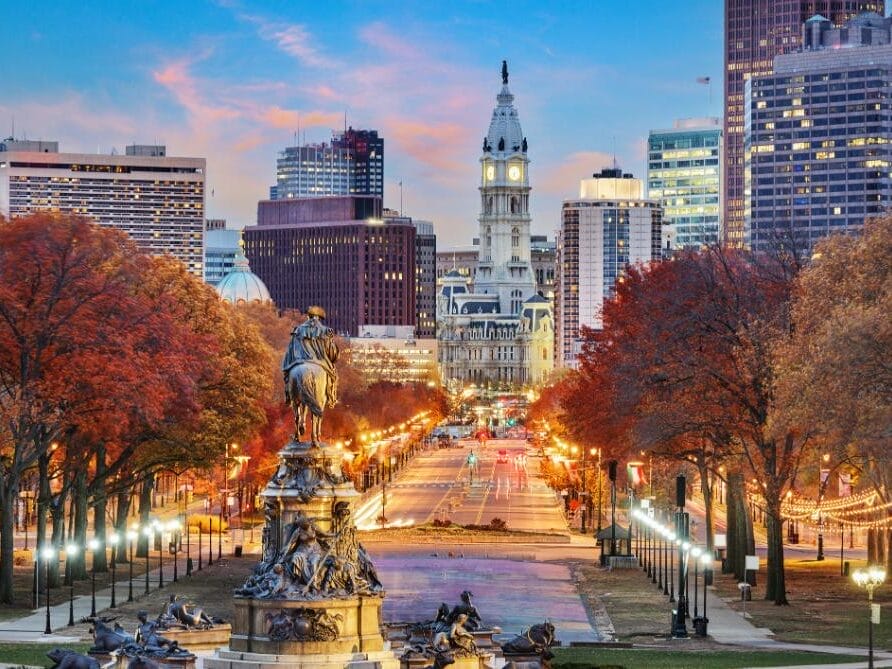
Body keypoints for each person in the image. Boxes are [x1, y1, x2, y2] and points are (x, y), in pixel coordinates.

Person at [282, 306, 339, 408]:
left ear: (308, 317)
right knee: (333, 376)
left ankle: (288, 395)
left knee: (288, 374)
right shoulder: (326, 331)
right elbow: (332, 353)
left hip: (299, 361)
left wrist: (287, 364)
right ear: (319, 318)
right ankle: (331, 398)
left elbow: (291, 349)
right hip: (320, 362)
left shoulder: (298, 330)